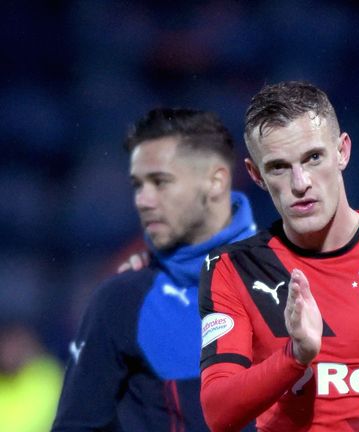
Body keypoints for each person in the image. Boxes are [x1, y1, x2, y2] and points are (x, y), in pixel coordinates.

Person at [198, 81, 359, 432]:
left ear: (343, 151)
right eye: (278, 167)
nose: (300, 182)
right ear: (256, 175)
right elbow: (218, 414)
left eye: (313, 158)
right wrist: (295, 356)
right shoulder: (233, 268)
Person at [52, 108, 258, 431]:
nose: (142, 200)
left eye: (160, 182)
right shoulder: (120, 301)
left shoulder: (293, 283)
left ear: (216, 182)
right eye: (138, 185)